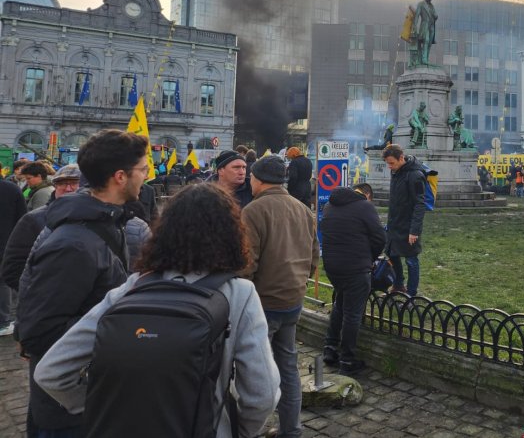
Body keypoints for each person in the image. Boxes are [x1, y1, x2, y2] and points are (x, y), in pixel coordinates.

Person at [33, 184, 280, 438]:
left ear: (164, 231)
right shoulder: (240, 293)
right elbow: (262, 394)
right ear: (233, 235)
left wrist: (97, 405)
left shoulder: (132, 287)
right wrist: (239, 431)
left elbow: (50, 371)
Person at [16, 129, 149, 437]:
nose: (145, 177)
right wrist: (121, 326)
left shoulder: (108, 224)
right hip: (71, 413)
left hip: (95, 398)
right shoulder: (74, 244)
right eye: (142, 170)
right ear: (120, 176)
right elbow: (40, 333)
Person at [241, 155, 319, 438]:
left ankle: (252, 429)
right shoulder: (303, 209)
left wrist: (244, 298)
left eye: (250, 176)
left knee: (254, 372)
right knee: (288, 369)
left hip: (263, 305)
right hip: (292, 302)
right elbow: (314, 256)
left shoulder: (253, 210)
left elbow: (247, 263)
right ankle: (291, 430)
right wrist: (299, 283)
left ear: (259, 179)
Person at [320, 183, 386, 373]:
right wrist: (370, 258)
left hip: (333, 266)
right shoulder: (365, 206)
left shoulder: (329, 205)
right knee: (353, 313)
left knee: (340, 304)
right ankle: (347, 361)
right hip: (356, 266)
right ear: (367, 195)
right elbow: (380, 238)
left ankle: (330, 348)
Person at [1, 165, 80, 293]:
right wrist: (37, 294)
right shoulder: (34, 219)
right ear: (55, 186)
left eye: (74, 183)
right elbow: (13, 267)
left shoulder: (100, 218)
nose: (68, 188)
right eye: (62, 183)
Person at [382, 144, 427, 296]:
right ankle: (398, 284)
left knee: (411, 260)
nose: (389, 167)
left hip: (408, 226)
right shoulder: (395, 172)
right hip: (395, 223)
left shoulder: (415, 175)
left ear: (401, 158)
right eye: (387, 163)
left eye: (391, 163)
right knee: (392, 254)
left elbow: (420, 204)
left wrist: (414, 230)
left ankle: (411, 294)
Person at [0, 178, 27, 336]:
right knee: (3, 283)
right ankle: (3, 321)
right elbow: (22, 217)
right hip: (6, 243)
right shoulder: (13, 189)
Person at [413, 0, 438, 66]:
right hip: (424, 25)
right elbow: (416, 16)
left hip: (431, 26)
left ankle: (426, 58)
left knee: (429, 43)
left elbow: (435, 14)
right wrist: (415, 27)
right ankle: (423, 59)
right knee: (426, 41)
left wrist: (436, 16)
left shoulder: (432, 6)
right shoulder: (421, 4)